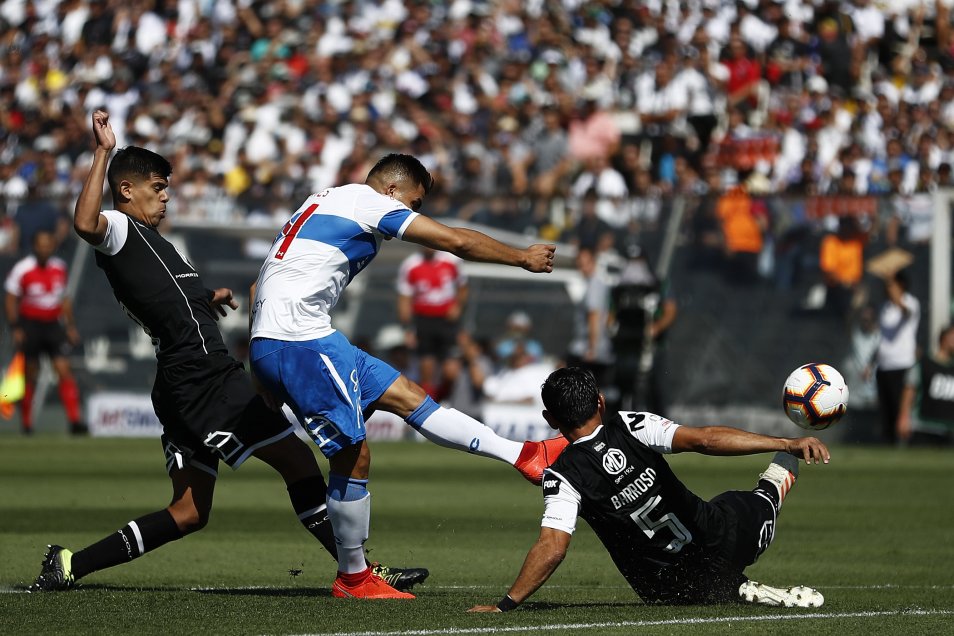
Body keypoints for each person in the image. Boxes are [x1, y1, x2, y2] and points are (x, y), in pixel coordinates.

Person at [29, 110, 427, 594]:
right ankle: (360, 574)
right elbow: (85, 222)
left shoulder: (155, 244)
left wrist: (207, 298)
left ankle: (70, 564)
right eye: (158, 186)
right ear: (127, 189)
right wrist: (103, 152)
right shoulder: (119, 227)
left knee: (190, 512)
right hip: (203, 378)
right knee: (299, 464)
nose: (166, 195)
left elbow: (163, 299)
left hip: (183, 381)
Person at [248, 153, 568, 599]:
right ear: (393, 191)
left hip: (295, 336)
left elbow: (256, 285)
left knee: (410, 397)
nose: (413, 213)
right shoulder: (368, 202)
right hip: (299, 341)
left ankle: (525, 455)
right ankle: (354, 578)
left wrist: (258, 359)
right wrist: (522, 257)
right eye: (414, 203)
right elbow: (454, 240)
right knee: (352, 457)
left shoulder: (319, 201)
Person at [469, 367, 831, 613]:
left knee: (701, 580)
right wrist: (785, 442)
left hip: (666, 589)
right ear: (600, 402)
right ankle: (774, 484)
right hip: (721, 538)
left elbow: (552, 548)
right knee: (762, 500)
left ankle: (732, 588)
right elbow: (704, 440)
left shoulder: (561, 476)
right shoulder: (631, 425)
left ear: (551, 420)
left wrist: (506, 604)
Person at [4, 230, 86, 435]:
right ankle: (26, 424)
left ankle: (75, 421)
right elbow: (10, 299)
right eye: (41, 244)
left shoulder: (59, 268)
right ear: (34, 246)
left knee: (64, 371)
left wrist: (70, 327)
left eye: (48, 244)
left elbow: (64, 300)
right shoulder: (23, 269)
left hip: (53, 325)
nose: (45, 248)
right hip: (30, 325)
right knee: (30, 375)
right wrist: (15, 327)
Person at [396, 246, 468, 398]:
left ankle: (444, 396)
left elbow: (463, 287)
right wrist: (408, 328)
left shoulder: (452, 260)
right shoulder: (410, 265)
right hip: (424, 321)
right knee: (427, 367)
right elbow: (405, 297)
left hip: (447, 321)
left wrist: (457, 307)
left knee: (451, 370)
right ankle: (429, 404)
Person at [869, 269, 920, 444]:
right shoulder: (884, 307)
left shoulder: (911, 303)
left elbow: (906, 314)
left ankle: (904, 441)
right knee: (886, 406)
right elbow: (882, 338)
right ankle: (888, 440)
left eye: (892, 285)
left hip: (902, 364)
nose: (888, 289)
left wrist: (896, 296)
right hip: (884, 364)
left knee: (901, 407)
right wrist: (871, 362)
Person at [897, 325, 954, 445]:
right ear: (944, 339)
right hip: (924, 427)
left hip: (949, 428)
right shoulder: (925, 364)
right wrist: (904, 416)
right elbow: (910, 389)